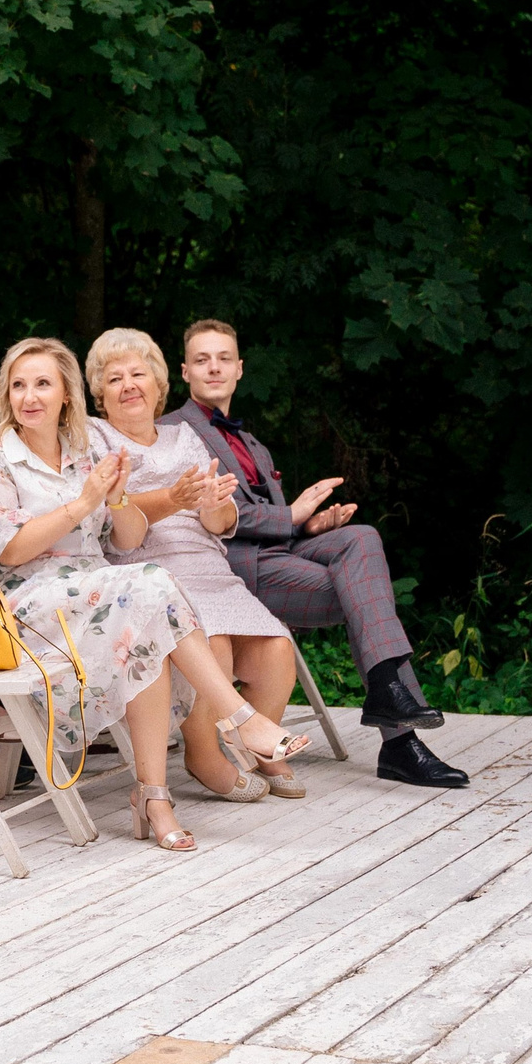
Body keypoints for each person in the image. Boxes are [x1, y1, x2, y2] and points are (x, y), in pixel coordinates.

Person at [0, 338, 311, 850]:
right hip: (32, 606)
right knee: (150, 584)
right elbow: (11, 551)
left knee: (146, 636)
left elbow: (124, 538)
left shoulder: (84, 452)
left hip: (96, 594)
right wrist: (85, 503)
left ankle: (154, 796)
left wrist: (119, 495)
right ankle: (239, 718)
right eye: (18, 385)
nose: (29, 396)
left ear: (66, 394)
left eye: (43, 384)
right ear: (6, 395)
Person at [166, 319, 468, 789]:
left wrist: (308, 524)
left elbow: (276, 522)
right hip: (231, 570)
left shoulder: (252, 444)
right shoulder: (173, 431)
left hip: (278, 556)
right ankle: (400, 739)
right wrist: (291, 515)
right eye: (202, 359)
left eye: (224, 358)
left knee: (362, 536)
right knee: (366, 593)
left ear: (240, 368)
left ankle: (388, 694)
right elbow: (212, 514)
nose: (214, 367)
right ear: (184, 371)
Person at [87, 326, 308, 801]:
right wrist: (174, 497)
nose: (128, 384)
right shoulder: (95, 436)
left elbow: (222, 519)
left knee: (276, 650)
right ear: (99, 393)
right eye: (114, 378)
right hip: (149, 567)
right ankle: (204, 753)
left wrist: (211, 504)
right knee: (216, 642)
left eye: (138, 373)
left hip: (209, 564)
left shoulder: (183, 434)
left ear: (158, 384)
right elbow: (108, 518)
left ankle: (262, 752)